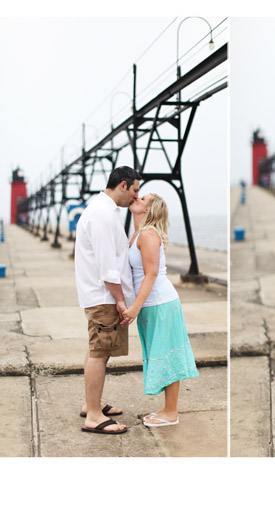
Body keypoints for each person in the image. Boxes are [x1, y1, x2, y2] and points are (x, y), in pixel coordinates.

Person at [121, 193, 199, 427]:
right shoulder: (138, 233)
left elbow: (151, 274)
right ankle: (167, 409)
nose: (137, 197)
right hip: (151, 304)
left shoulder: (147, 235)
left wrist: (134, 307)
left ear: (149, 209)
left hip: (160, 303)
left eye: (143, 198)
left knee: (168, 355)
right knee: (160, 354)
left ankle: (171, 412)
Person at [75, 166, 140, 435]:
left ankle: (92, 404)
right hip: (104, 297)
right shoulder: (102, 214)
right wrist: (121, 301)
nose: (136, 196)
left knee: (96, 350)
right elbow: (107, 267)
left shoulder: (105, 211)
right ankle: (93, 416)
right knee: (100, 353)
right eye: (135, 190)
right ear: (123, 185)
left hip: (100, 296)